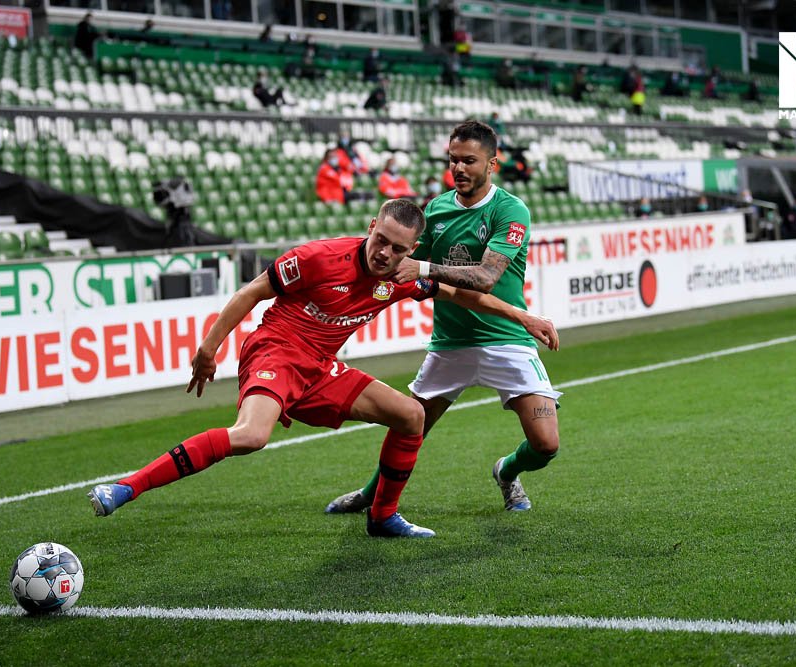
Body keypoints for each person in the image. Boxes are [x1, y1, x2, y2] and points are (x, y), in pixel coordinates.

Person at [88, 199, 558, 539]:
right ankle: (126, 487)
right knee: (251, 436)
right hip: (275, 352)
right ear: (371, 227)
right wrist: (209, 349)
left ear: (412, 249)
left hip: (321, 368)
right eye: (380, 240)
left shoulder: (403, 276)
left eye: (397, 248)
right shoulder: (318, 257)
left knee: (411, 415)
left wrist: (524, 317)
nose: (384, 253)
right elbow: (251, 292)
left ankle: (382, 517)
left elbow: (463, 294)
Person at [326, 120, 563, 517]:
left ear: (492, 164)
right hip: (450, 344)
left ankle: (506, 471)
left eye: (469, 160)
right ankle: (369, 495)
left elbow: (485, 278)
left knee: (546, 445)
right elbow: (400, 264)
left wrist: (423, 269)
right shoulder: (435, 210)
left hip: (506, 338)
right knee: (410, 425)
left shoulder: (510, 210)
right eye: (453, 159)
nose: (458, 168)